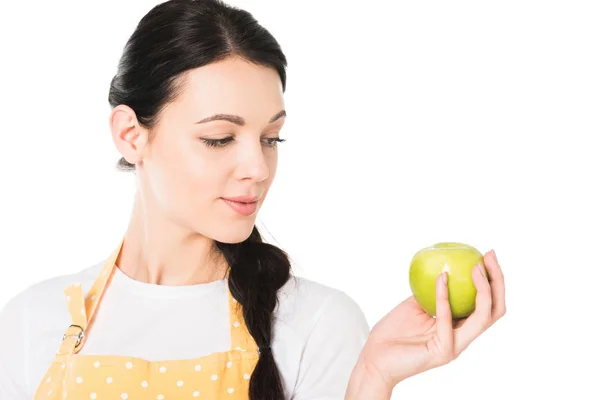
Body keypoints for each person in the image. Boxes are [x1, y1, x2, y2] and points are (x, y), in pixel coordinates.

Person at [0, 0, 506, 399]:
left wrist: (371, 379)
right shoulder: (29, 323)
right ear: (132, 134)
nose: (259, 170)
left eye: (271, 138)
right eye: (220, 138)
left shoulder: (318, 324)